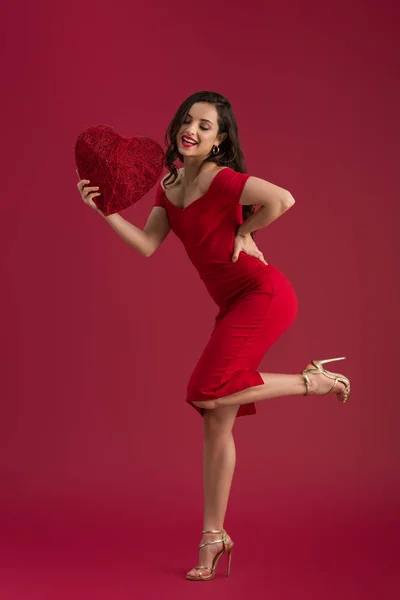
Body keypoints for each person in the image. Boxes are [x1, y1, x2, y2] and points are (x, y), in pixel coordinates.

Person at [77, 90, 351, 582]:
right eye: (188, 120)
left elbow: (282, 199)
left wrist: (246, 232)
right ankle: (213, 537)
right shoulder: (170, 183)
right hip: (231, 305)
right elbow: (146, 246)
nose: (193, 130)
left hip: (263, 293)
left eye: (206, 126)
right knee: (215, 420)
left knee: (206, 390)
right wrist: (105, 211)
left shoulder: (220, 178)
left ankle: (315, 382)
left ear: (219, 139)